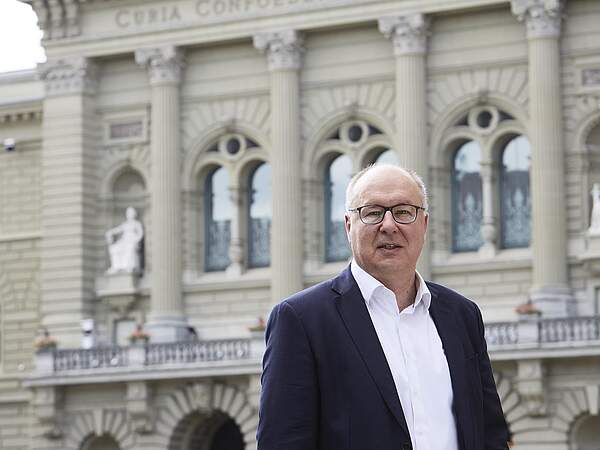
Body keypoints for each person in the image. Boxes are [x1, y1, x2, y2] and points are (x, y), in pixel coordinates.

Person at [257, 164, 509, 450]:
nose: (389, 225)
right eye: (373, 212)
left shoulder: (463, 315)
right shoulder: (301, 320)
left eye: (403, 212)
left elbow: (490, 434)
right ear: (349, 226)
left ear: (423, 225)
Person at [105, 206, 144, 274]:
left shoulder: (136, 223)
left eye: (131, 213)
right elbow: (118, 230)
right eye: (128, 213)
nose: (129, 214)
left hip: (132, 241)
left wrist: (136, 241)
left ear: (134, 214)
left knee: (130, 247)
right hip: (125, 241)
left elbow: (140, 234)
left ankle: (128, 266)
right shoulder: (125, 224)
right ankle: (116, 267)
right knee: (114, 248)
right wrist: (110, 232)